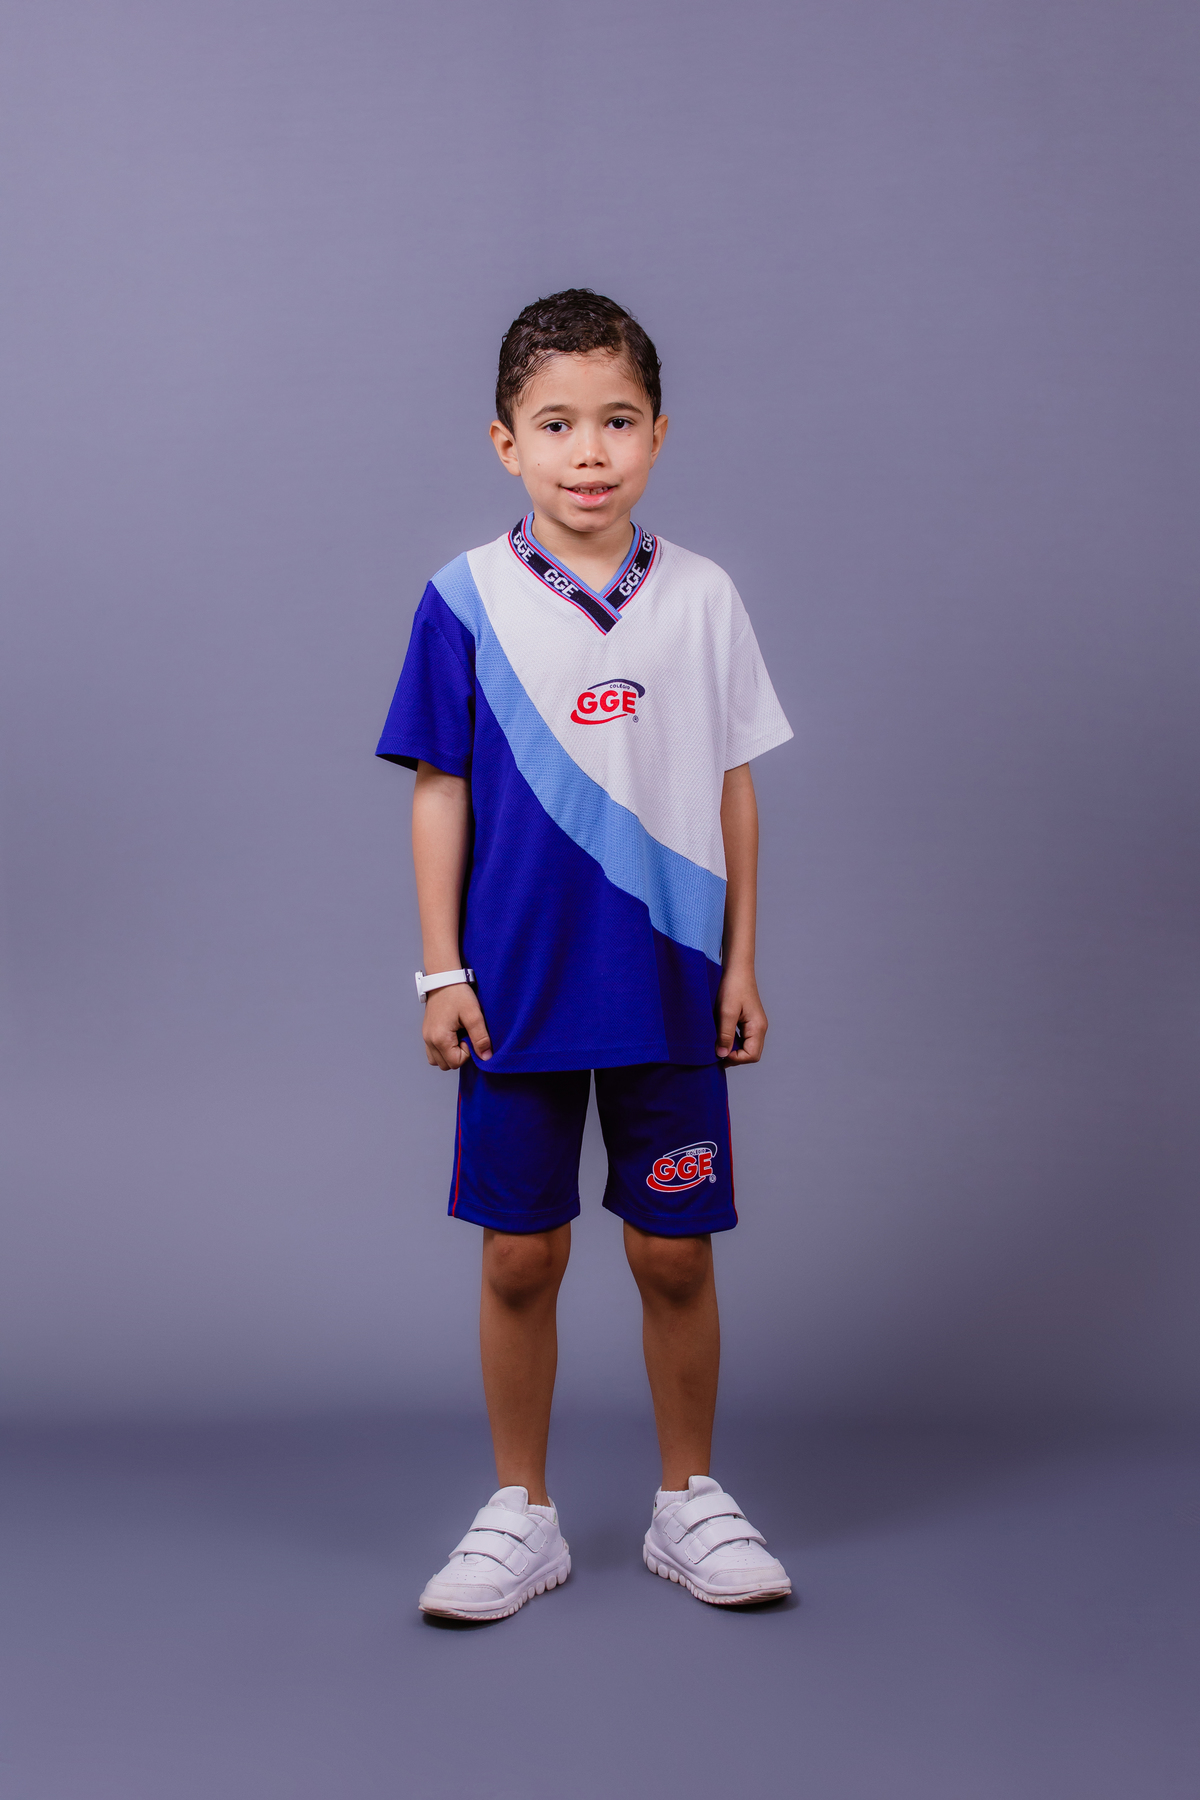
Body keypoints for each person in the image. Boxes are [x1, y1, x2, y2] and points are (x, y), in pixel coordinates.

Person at [377, 289, 794, 1619]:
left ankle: (690, 1500)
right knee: (522, 1255)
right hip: (517, 991)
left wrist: (740, 963)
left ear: (659, 433)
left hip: (672, 982)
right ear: (507, 442)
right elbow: (438, 787)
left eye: (617, 420)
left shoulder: (705, 598)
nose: (589, 451)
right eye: (555, 424)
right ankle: (522, 1512)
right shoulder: (462, 600)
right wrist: (441, 970)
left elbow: (733, 789)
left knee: (675, 1253)